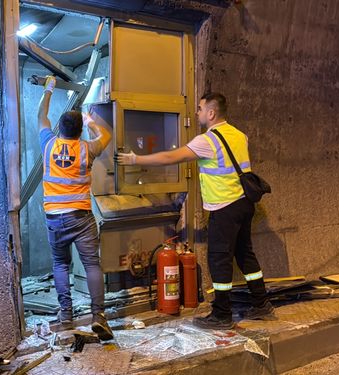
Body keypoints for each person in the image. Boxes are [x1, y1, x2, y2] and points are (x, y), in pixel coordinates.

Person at [116, 92, 275, 329]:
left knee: (219, 259)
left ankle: (222, 314)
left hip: (225, 206)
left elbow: (171, 157)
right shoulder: (240, 136)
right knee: (244, 254)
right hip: (244, 204)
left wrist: (134, 160)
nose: (197, 112)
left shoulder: (207, 140)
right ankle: (261, 303)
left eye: (200, 109)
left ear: (211, 113)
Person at [38, 76, 113, 339]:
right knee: (92, 264)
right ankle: (98, 316)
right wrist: (90, 119)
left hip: (54, 218)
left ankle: (66, 315)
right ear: (80, 131)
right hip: (80, 216)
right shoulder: (87, 149)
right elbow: (106, 135)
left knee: (60, 264)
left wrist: (49, 89)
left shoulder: (48, 144)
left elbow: (41, 116)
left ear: (59, 127)